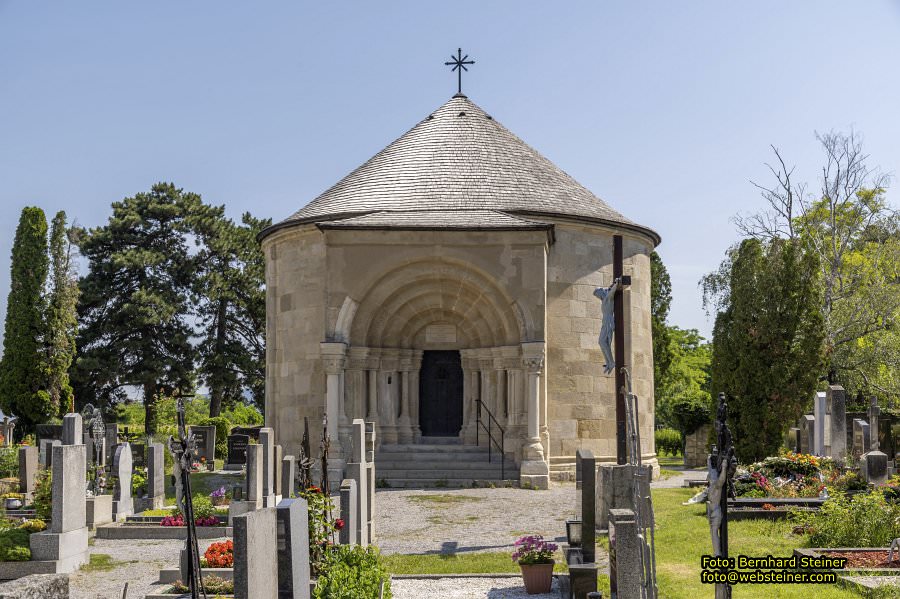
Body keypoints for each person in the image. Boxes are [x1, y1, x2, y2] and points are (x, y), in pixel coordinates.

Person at [593, 277, 620, 374]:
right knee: (601, 342)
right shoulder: (605, 298)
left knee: (603, 342)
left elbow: (612, 291)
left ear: (601, 292)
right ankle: (609, 362)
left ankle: (611, 362)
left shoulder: (608, 297)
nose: (598, 297)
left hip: (608, 321)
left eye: (597, 294)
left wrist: (617, 283)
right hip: (605, 321)